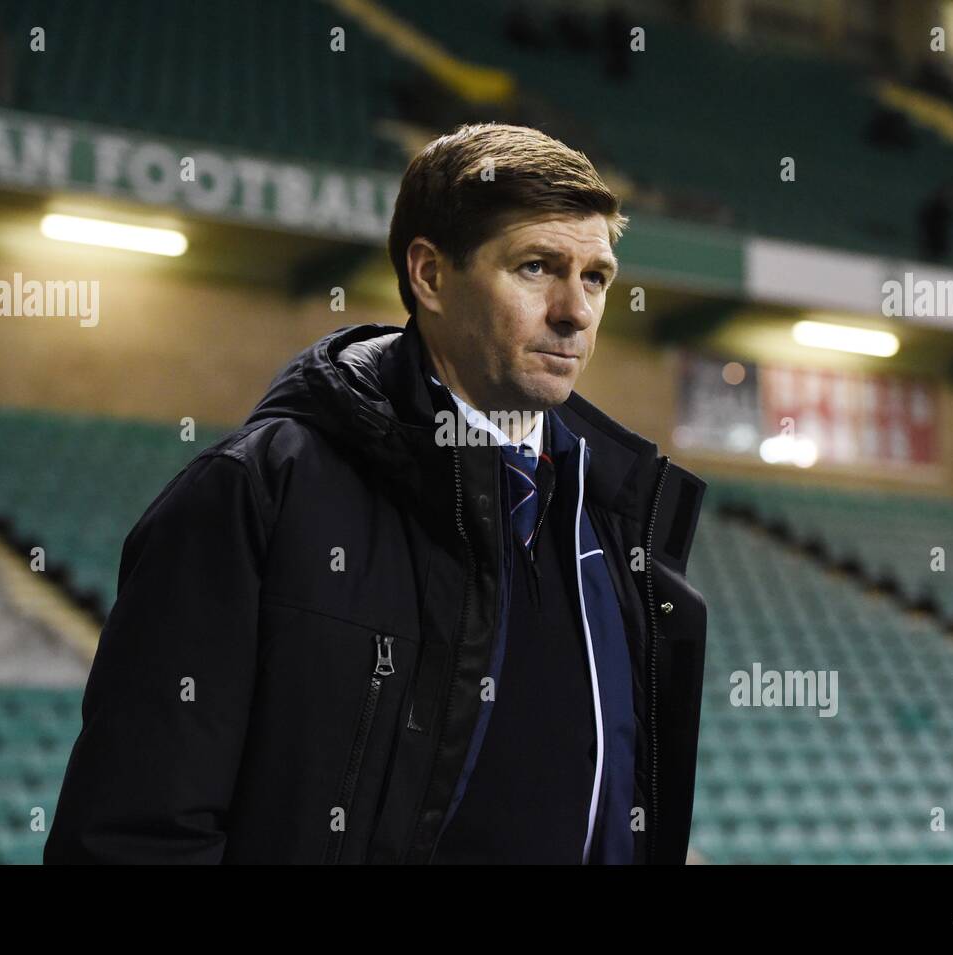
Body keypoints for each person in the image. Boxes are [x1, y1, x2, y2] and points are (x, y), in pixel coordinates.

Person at [45, 122, 708, 865]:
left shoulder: (615, 521)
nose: (575, 311)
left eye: (595, 278)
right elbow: (132, 838)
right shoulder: (258, 494)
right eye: (535, 267)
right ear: (428, 274)